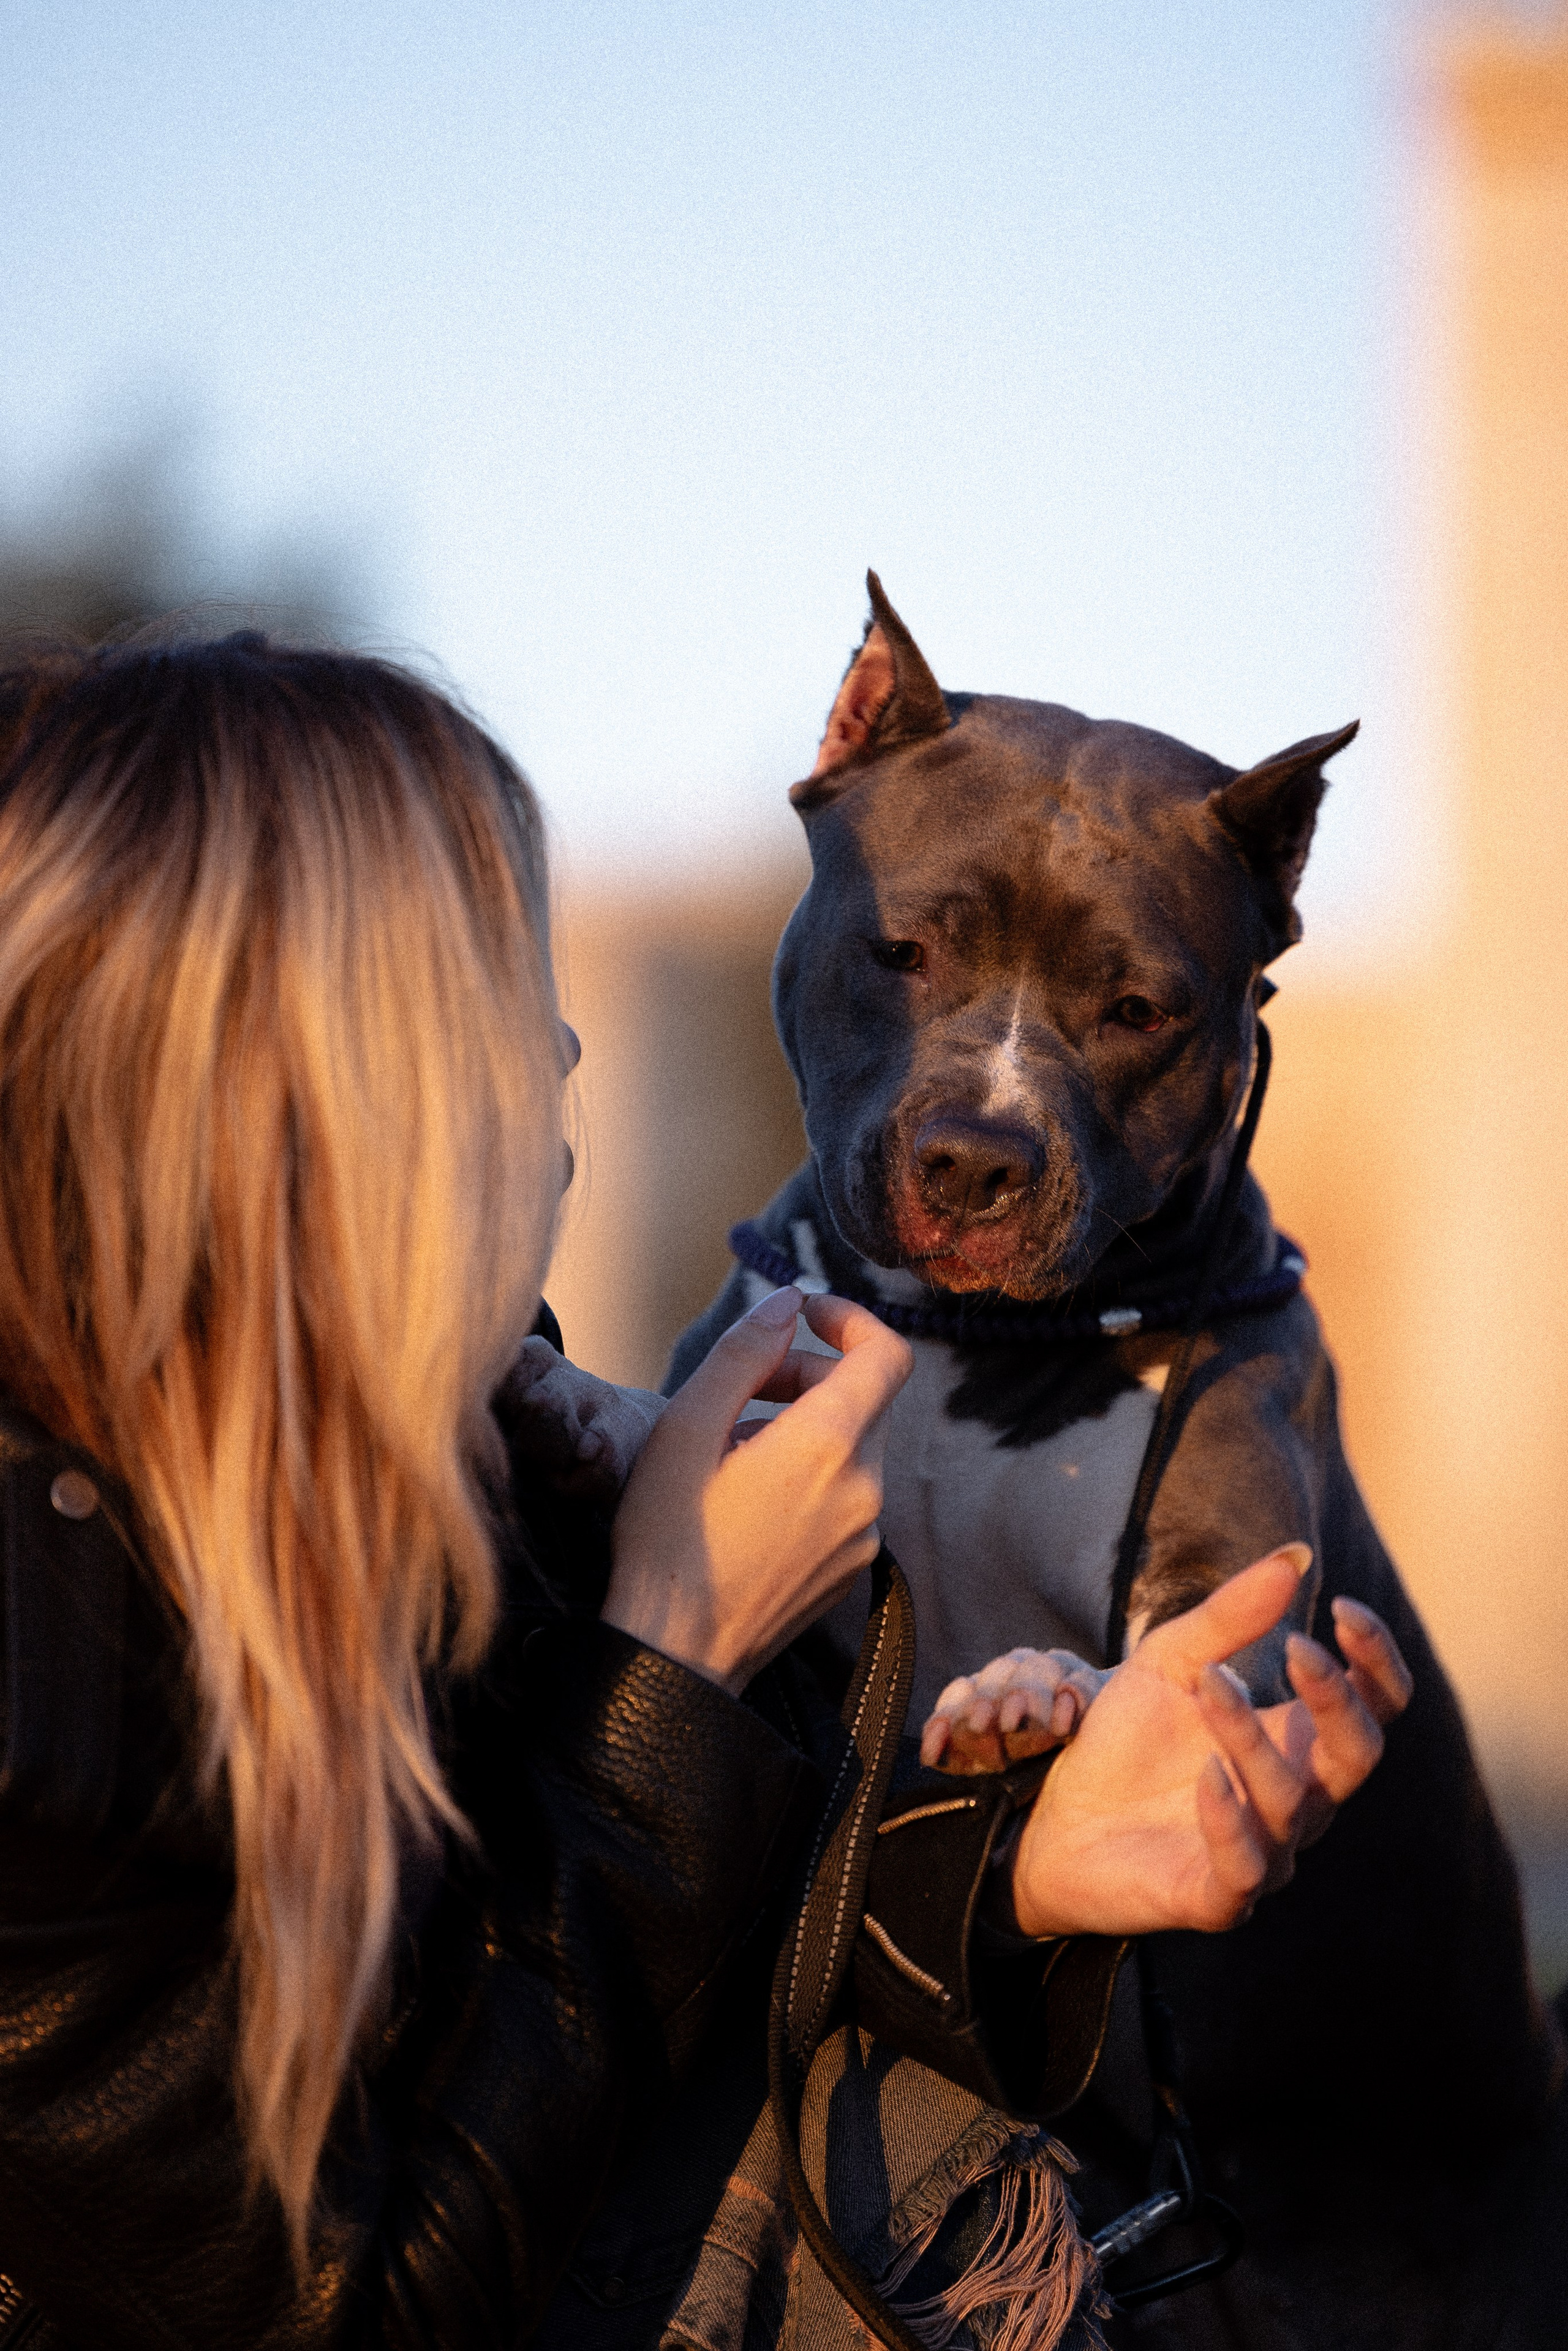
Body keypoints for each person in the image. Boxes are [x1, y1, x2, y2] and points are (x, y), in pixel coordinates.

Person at [0, 635, 1408, 2349]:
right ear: (296, 1105)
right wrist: (673, 1646)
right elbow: (334, 2312)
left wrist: (1034, 1872)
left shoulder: (455, 1447)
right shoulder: (36, 1655)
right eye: (502, 1004)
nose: (575, 1042)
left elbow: (643, 1963)